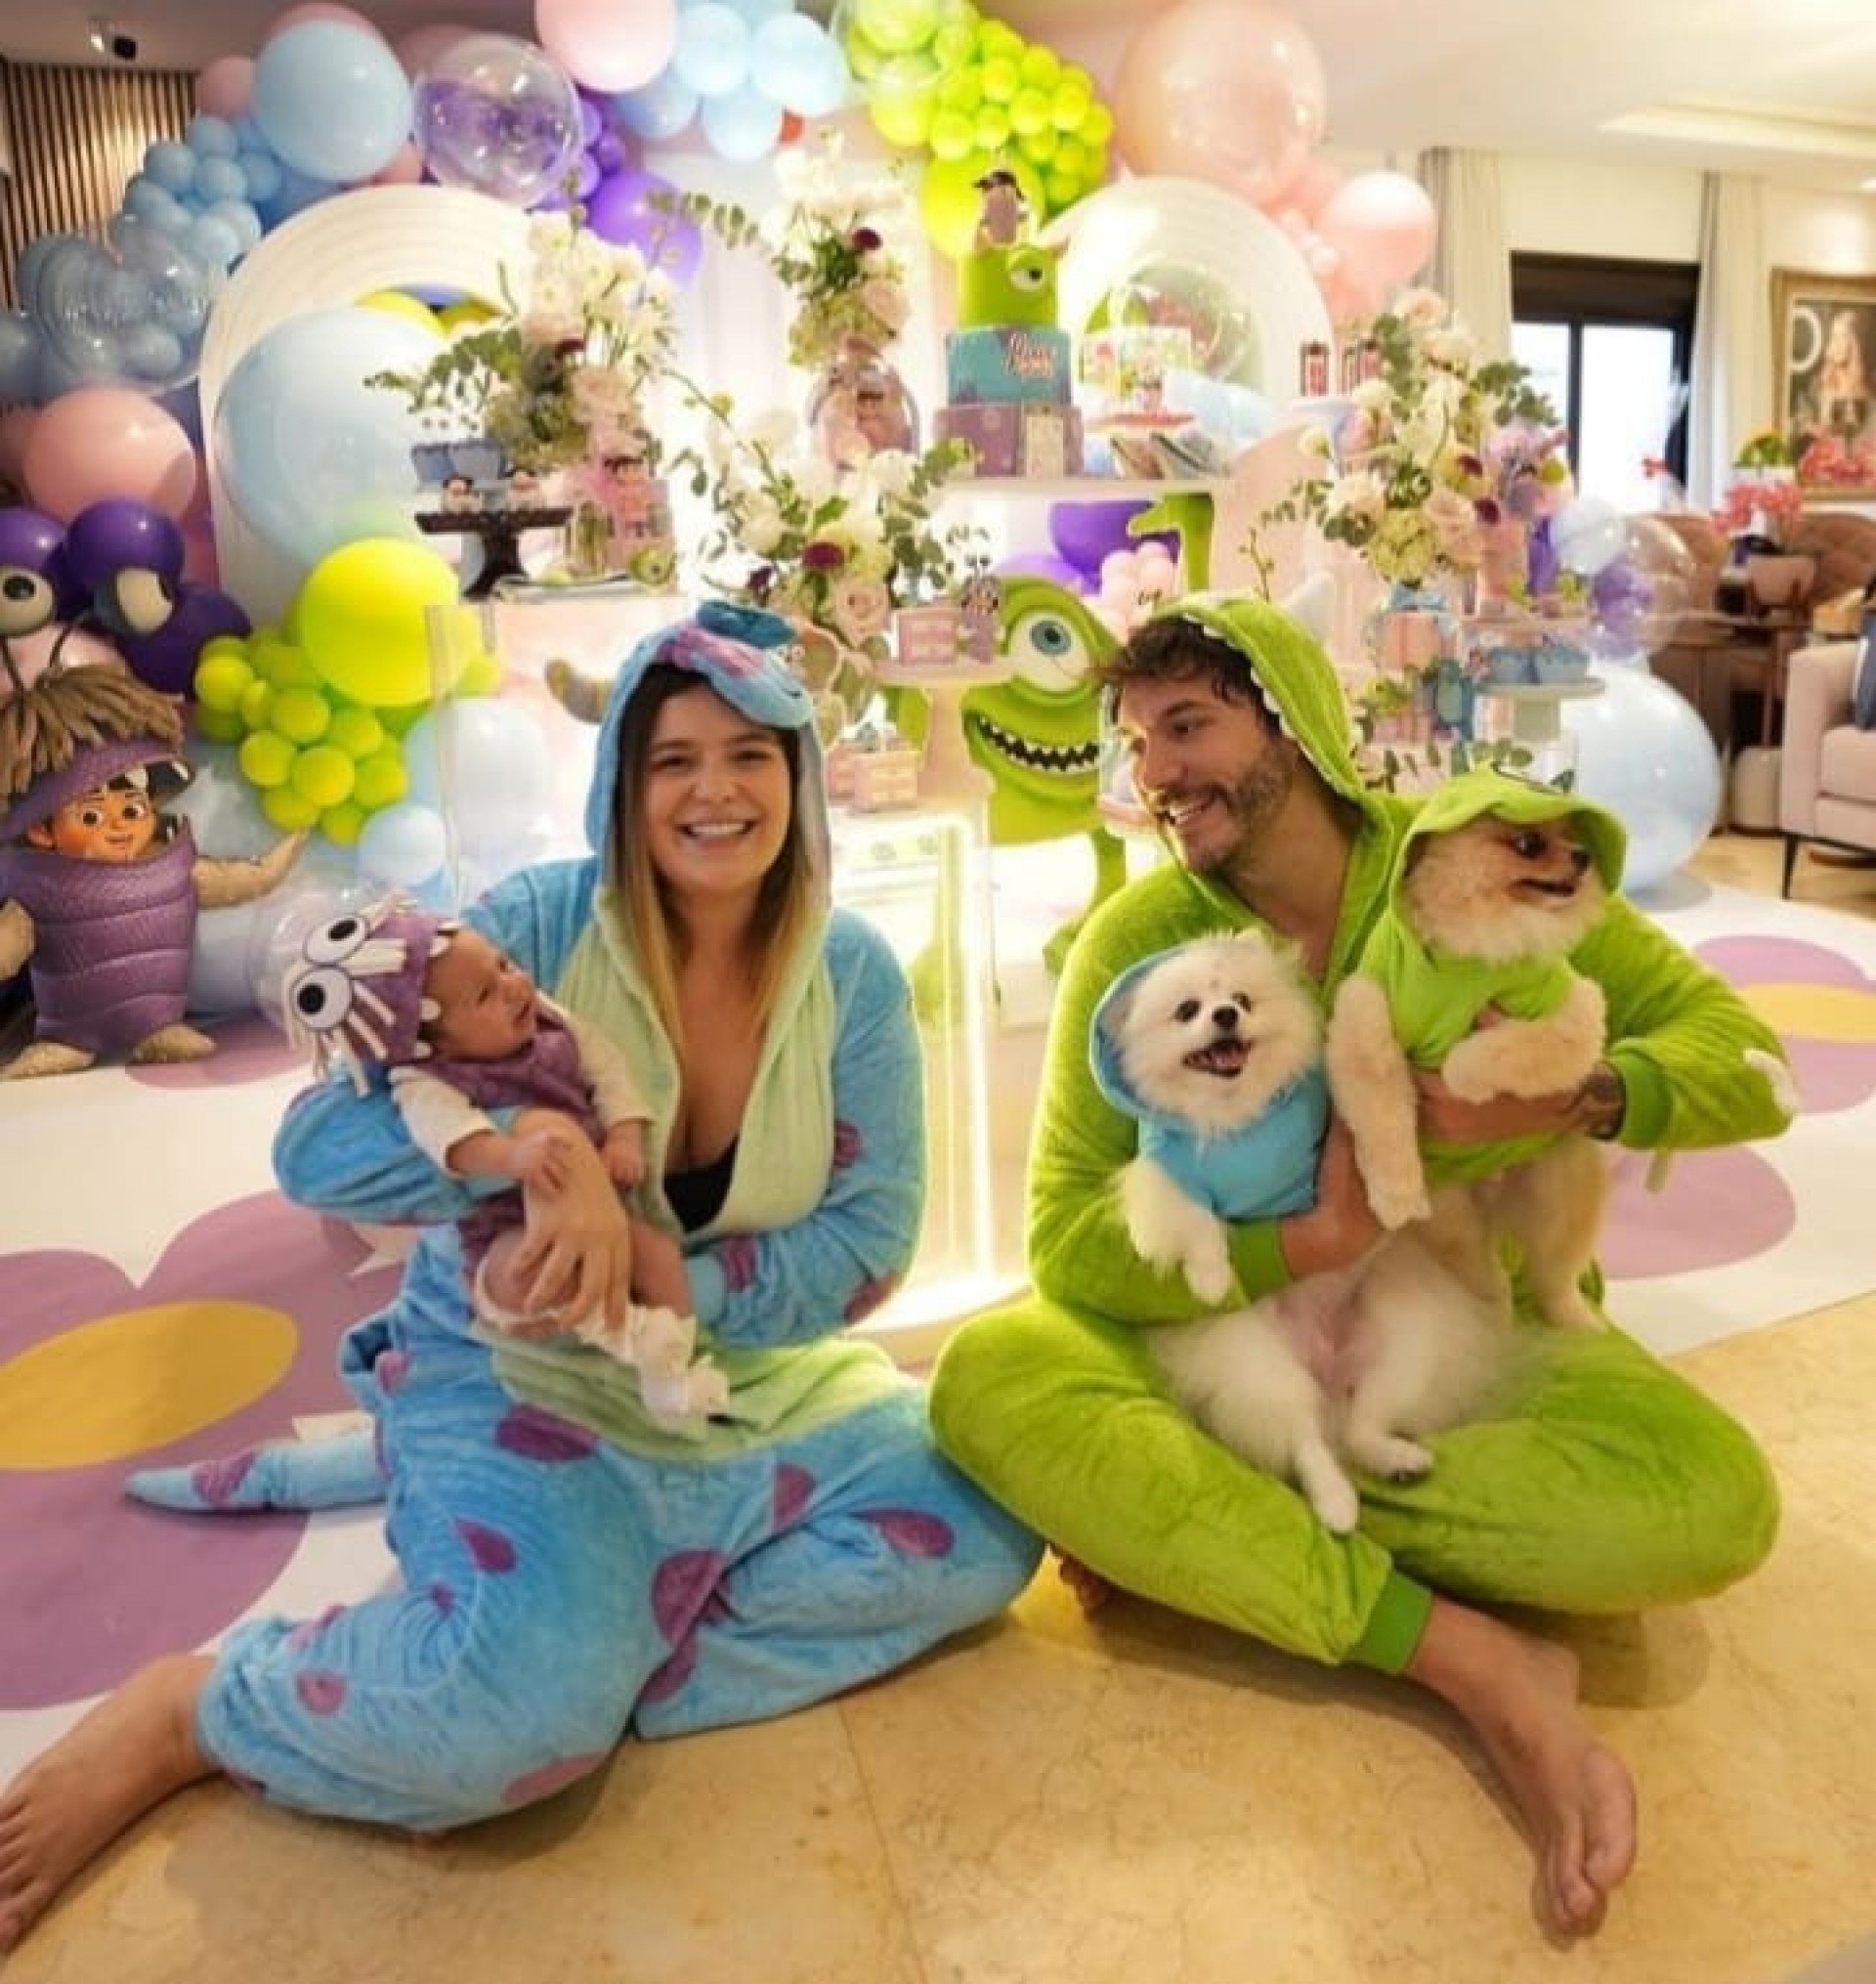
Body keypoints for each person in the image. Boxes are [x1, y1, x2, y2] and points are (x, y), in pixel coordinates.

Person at [0, 599, 1043, 1952]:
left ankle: (606, 1647)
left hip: (740, 1383)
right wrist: (543, 1154)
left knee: (986, 1524)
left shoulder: (848, 974)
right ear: (621, 782)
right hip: (513, 1377)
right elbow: (317, 1146)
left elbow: (868, 1242)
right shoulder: (535, 928)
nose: (716, 791)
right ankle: (197, 1709)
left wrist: (666, 1276)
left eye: (750, 754)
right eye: (674, 760)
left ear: (797, 772)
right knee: (504, 1736)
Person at [928, 593, 1792, 1941]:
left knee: (1716, 1503)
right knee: (986, 1375)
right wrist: (1304, 1240)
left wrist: (1574, 1095)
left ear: (1297, 722)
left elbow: (1747, 1061)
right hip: (1237, 1330)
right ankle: (1472, 1655)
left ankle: (1208, 1532)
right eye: (1139, 743)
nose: (1158, 772)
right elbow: (1066, 1239)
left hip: (1466, 1327)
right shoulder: (1137, 942)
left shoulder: (1483, 859)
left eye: (1189, 726)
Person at [277, 902, 724, 1427]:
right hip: (506, 1228)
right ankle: (627, 1340)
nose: (515, 986)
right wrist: (512, 1152)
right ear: (431, 1044)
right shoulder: (425, 1081)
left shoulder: (549, 1021)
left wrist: (624, 1134)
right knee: (535, 1276)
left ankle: (673, 1365)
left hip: (606, 1209)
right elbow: (452, 1140)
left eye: (505, 965)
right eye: (484, 995)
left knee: (658, 1256)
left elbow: (607, 1068)